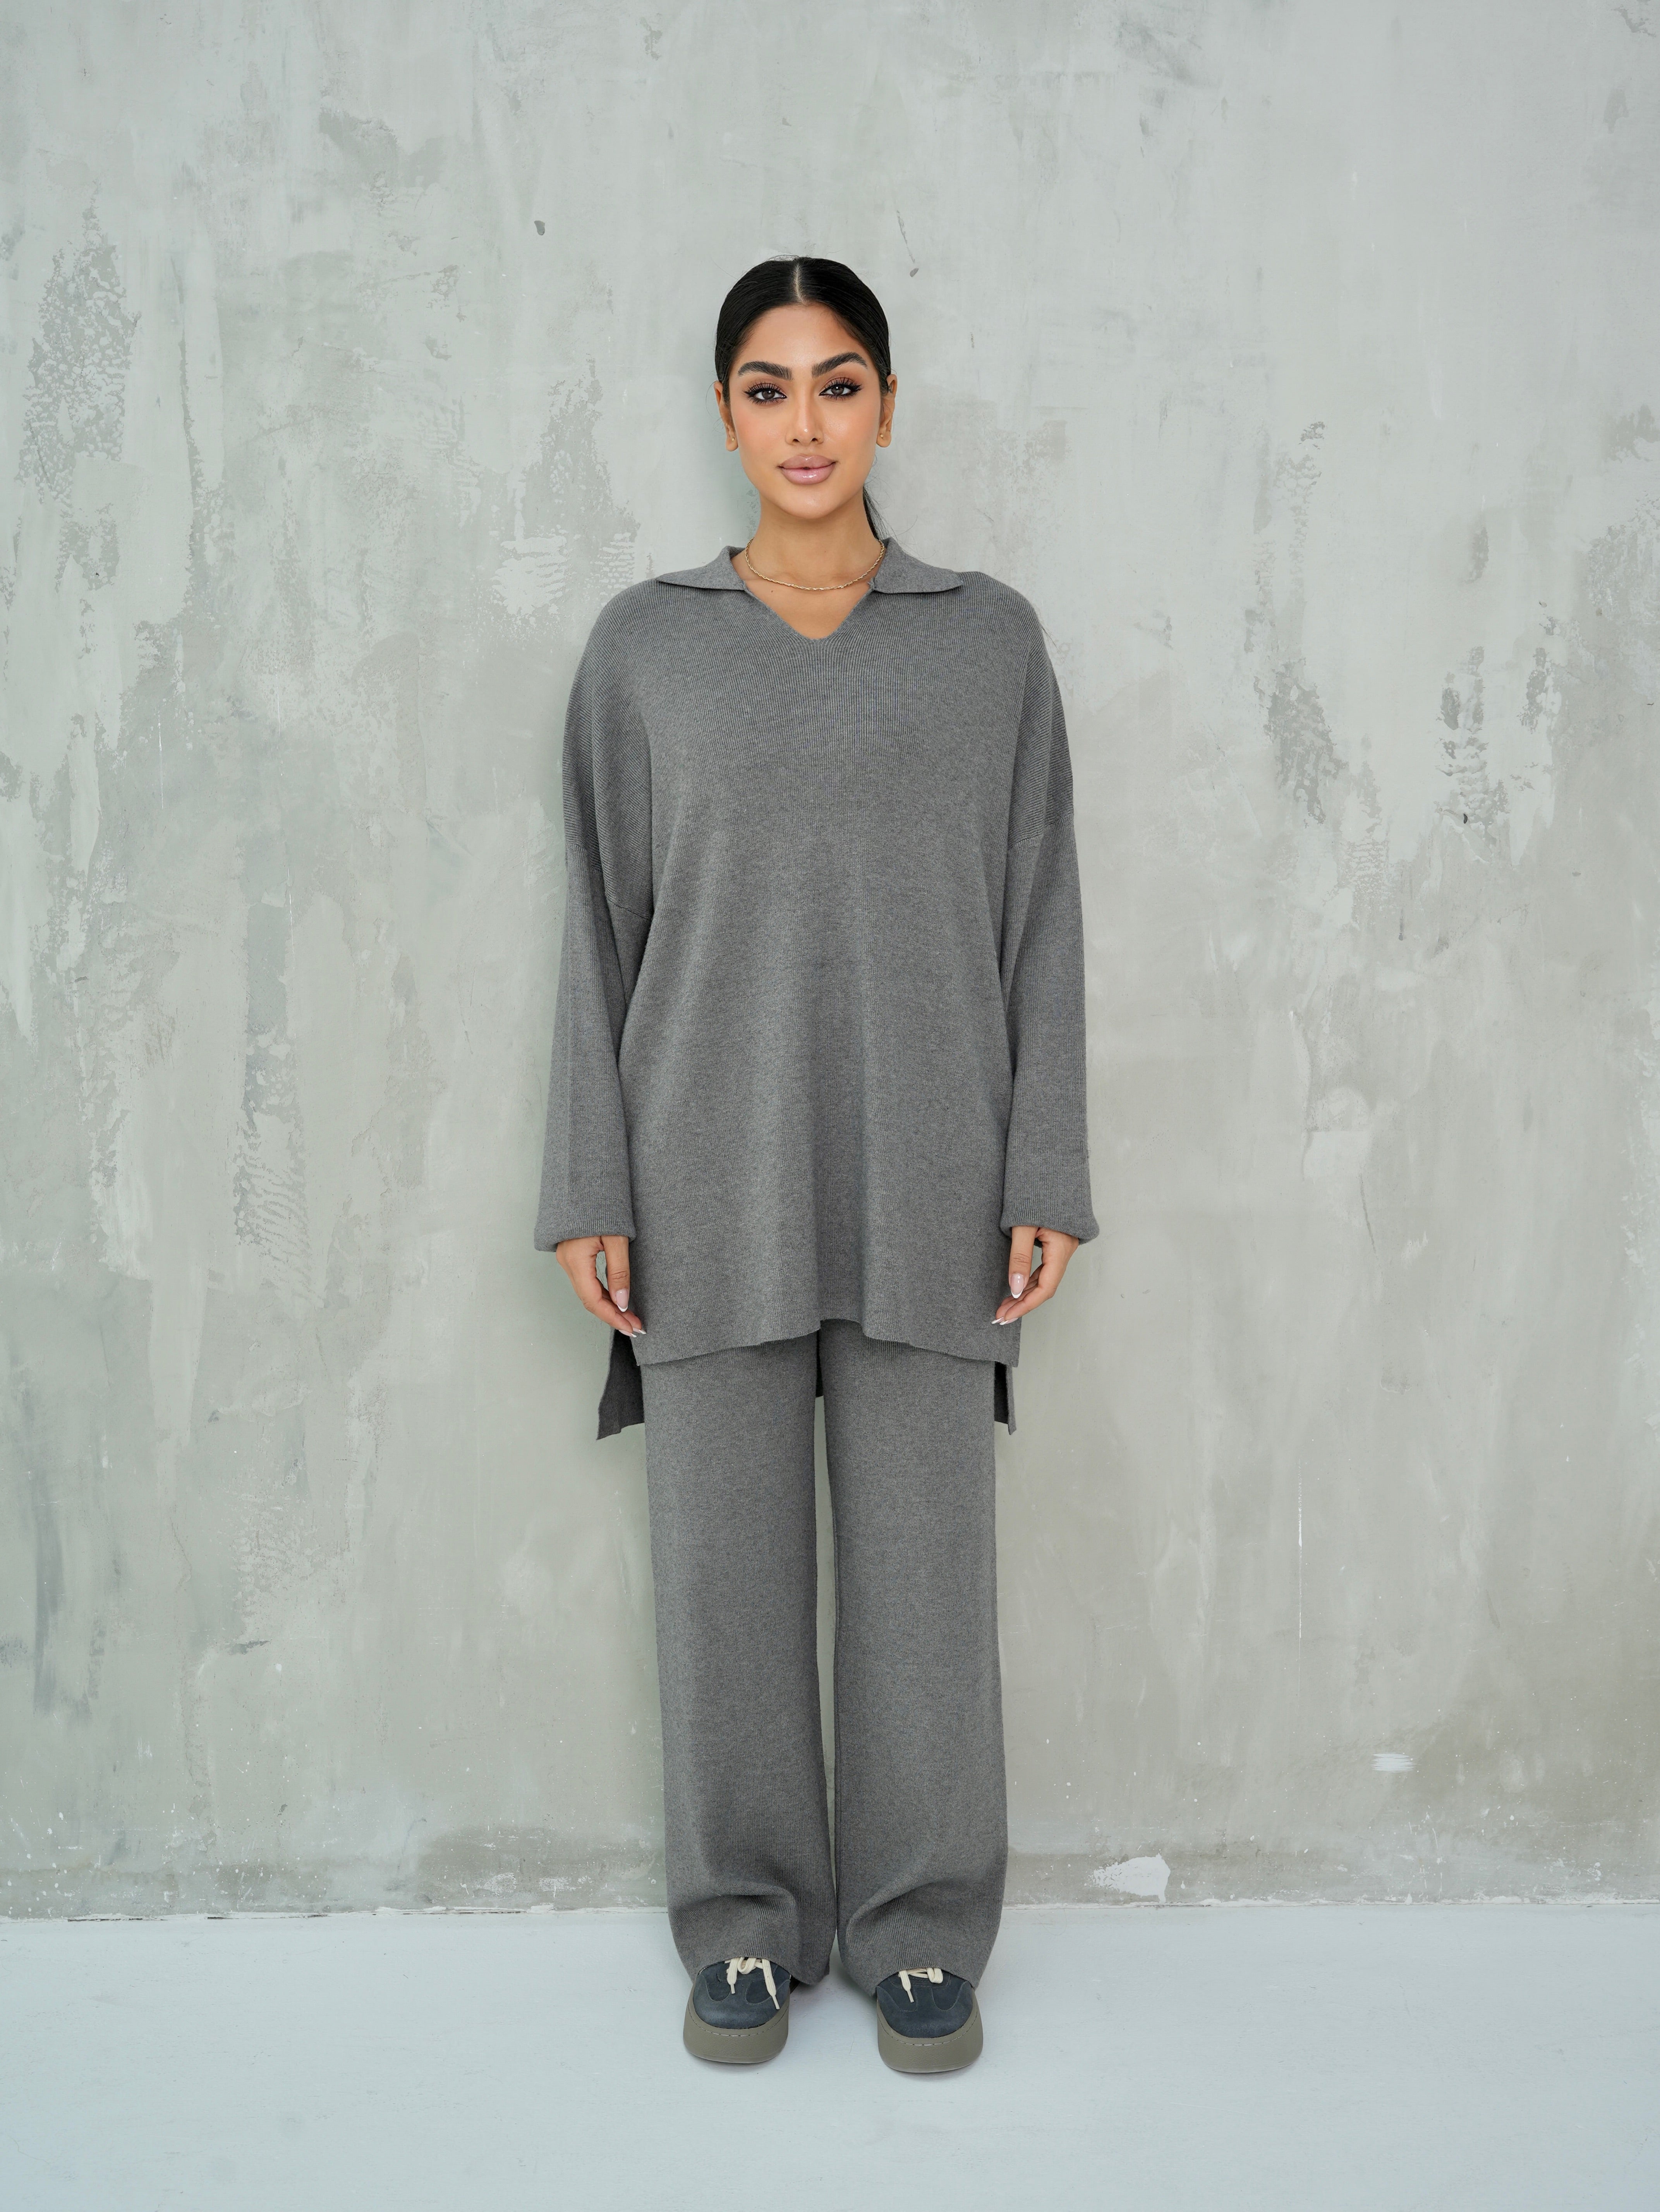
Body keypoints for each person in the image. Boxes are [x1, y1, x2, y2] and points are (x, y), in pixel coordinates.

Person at [534, 254, 1097, 2074]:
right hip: (699, 1167)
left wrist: (1043, 1162)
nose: (805, 423)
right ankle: (743, 1922)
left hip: (934, 1170)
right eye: (768, 389)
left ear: (886, 405)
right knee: (722, 1575)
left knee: (927, 1580)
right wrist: (590, 1184)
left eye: (837, 384)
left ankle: (922, 1926)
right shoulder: (644, 650)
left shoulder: (986, 643)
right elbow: (596, 935)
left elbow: (1041, 916)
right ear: (724, 414)